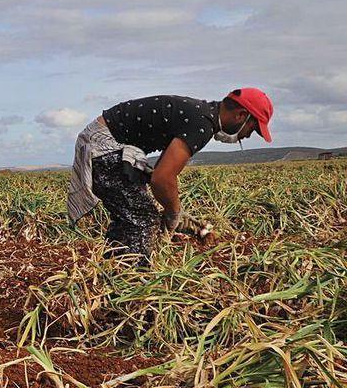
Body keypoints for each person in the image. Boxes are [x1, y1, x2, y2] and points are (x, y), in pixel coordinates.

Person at [67, 88, 274, 264]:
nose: (246, 136)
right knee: (142, 219)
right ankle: (127, 282)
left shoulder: (201, 115)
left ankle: (112, 265)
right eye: (252, 129)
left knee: (133, 214)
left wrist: (174, 212)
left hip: (105, 142)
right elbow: (162, 178)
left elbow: (162, 171)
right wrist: (174, 213)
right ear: (240, 115)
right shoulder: (202, 124)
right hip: (104, 146)